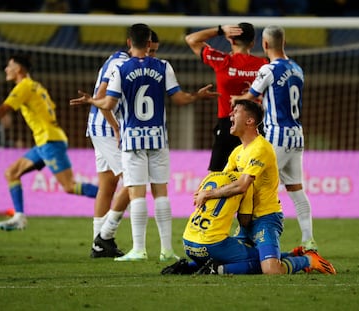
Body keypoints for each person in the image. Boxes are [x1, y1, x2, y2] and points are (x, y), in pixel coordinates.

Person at [79, 23, 219, 261]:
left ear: (129, 43)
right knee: (161, 193)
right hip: (158, 137)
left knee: (137, 193)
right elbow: (179, 98)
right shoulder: (163, 66)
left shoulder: (121, 68)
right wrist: (198, 96)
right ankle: (166, 250)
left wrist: (92, 101)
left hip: (132, 139)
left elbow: (108, 103)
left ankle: (138, 249)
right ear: (148, 44)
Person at [193, 99, 336, 275]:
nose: (230, 115)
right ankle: (292, 254)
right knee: (228, 257)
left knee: (271, 270)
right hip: (246, 221)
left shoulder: (260, 148)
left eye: (235, 111)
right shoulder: (237, 152)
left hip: (266, 218)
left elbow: (242, 185)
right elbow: (224, 179)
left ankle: (309, 260)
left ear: (249, 120)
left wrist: (209, 194)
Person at [0, 53, 98, 231]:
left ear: (19, 69)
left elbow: (3, 109)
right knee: (12, 173)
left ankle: (112, 198)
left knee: (69, 186)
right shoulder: (37, 86)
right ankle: (19, 217)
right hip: (45, 141)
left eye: (9, 66)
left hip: (49, 141)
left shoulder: (24, 86)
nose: (6, 69)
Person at [70, 30, 160, 259]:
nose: (151, 56)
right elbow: (103, 100)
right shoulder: (122, 63)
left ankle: (98, 244)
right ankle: (104, 237)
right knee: (135, 181)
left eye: (155, 52)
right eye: (150, 50)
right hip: (108, 129)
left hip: (99, 127)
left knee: (108, 185)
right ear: (139, 45)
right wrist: (117, 128)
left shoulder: (118, 58)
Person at [231, 25, 317, 251]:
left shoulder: (268, 70)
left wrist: (235, 99)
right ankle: (308, 240)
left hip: (277, 136)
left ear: (265, 44)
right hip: (296, 136)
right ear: (284, 43)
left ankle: (246, 236)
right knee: (297, 189)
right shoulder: (298, 69)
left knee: (254, 184)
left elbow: (249, 97)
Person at [185, 22, 268, 172]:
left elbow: (191, 39)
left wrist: (220, 30)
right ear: (253, 43)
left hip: (228, 125)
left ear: (231, 40)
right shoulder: (264, 64)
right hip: (255, 126)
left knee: (216, 176)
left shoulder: (222, 61)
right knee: (252, 177)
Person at [162, 170, 262, 275]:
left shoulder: (210, 176)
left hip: (188, 242)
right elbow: (244, 221)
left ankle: (185, 267)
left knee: (221, 256)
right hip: (212, 244)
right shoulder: (245, 183)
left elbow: (196, 198)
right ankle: (216, 269)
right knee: (260, 260)